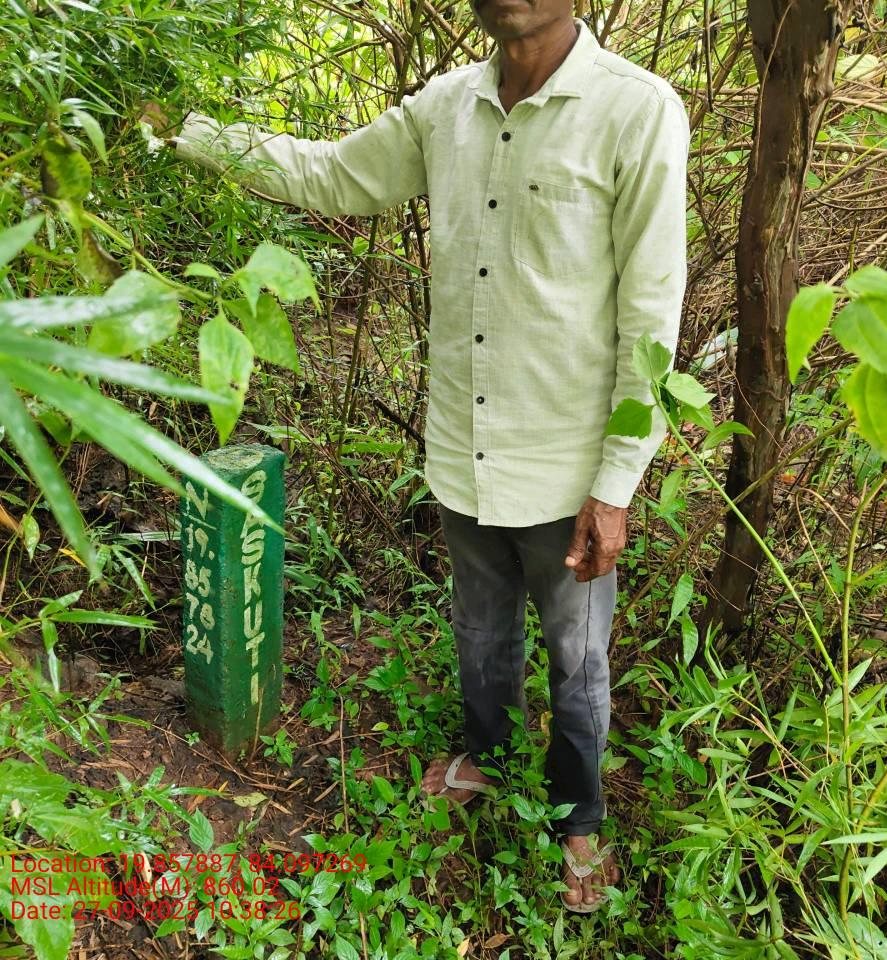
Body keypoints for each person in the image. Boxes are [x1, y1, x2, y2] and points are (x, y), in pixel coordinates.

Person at [144, 0, 688, 913]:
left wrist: (618, 481)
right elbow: (330, 173)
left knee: (578, 659)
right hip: (464, 447)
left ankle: (578, 820)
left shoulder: (636, 110)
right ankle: (489, 755)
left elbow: (652, 311)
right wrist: (191, 133)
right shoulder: (447, 107)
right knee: (480, 630)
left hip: (568, 466)